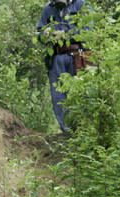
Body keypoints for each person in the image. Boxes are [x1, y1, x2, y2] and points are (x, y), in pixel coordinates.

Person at [37, 0, 90, 133]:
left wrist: (66, 35)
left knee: (80, 93)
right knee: (58, 96)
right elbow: (39, 33)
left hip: (77, 56)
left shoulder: (80, 5)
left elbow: (88, 30)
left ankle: (84, 131)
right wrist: (44, 34)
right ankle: (67, 132)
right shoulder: (48, 9)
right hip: (56, 57)